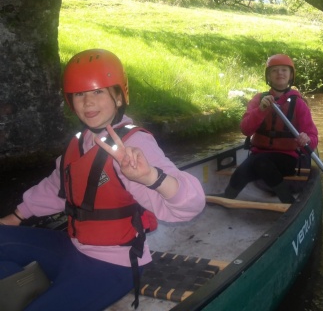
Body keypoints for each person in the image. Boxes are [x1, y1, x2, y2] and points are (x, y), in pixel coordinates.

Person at [0, 49, 205, 311]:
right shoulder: (80, 140)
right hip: (74, 247)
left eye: (98, 91)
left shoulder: (135, 145)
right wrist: (16, 216)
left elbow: (190, 206)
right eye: (79, 94)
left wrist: (151, 177)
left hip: (112, 265)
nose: (88, 102)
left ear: (119, 96)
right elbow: (56, 187)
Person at [216, 54, 318, 203]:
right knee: (244, 169)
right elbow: (245, 130)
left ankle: (287, 200)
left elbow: (313, 138)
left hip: (287, 158)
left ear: (291, 75)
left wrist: (306, 139)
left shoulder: (299, 104)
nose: (280, 73)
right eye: (274, 70)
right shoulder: (258, 100)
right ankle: (228, 196)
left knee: (258, 162)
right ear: (268, 76)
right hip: (259, 154)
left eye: (284, 70)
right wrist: (261, 110)